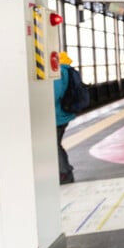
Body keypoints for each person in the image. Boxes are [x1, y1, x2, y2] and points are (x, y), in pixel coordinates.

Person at [53, 51, 77, 184]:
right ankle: (65, 171)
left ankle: (65, 173)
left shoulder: (59, 72)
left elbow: (55, 94)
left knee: (54, 145)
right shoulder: (67, 70)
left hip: (58, 115)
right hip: (62, 113)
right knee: (56, 144)